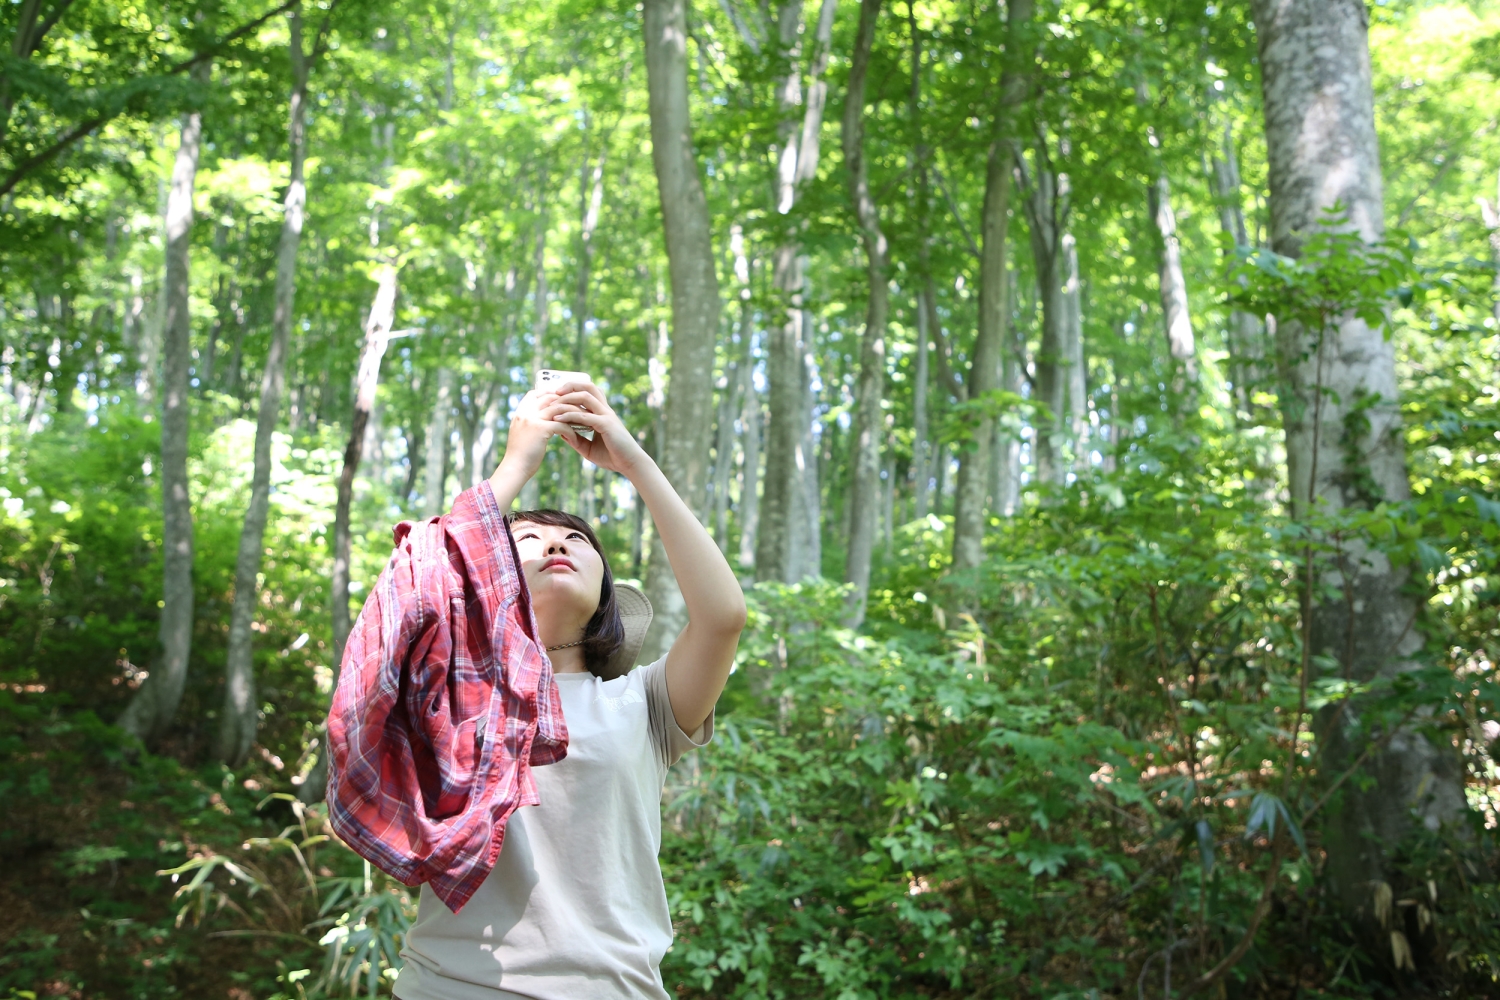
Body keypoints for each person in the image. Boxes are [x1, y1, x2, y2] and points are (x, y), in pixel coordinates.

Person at [392, 378, 746, 1000]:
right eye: (526, 540)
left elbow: (722, 617)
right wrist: (518, 460)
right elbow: (408, 591)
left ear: (606, 593)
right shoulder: (446, 688)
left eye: (577, 540)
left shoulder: (645, 703)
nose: (557, 542)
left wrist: (631, 459)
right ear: (490, 578)